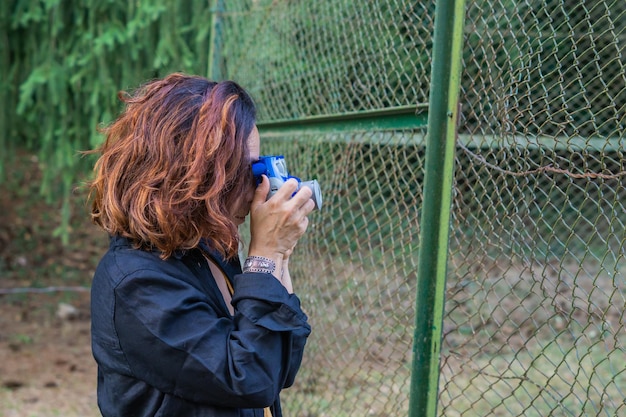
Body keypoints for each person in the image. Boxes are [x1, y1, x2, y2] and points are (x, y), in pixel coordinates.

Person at [87, 73, 315, 417]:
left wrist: (278, 252)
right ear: (190, 176)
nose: (259, 187)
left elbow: (281, 362)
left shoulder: (205, 248)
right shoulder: (134, 282)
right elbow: (249, 378)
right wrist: (265, 254)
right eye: (244, 171)